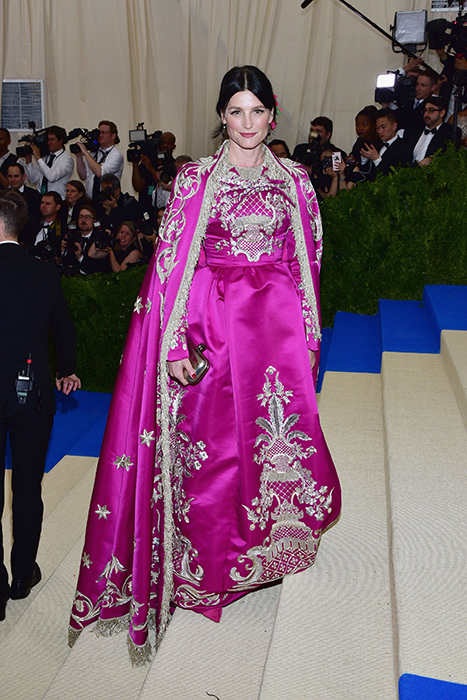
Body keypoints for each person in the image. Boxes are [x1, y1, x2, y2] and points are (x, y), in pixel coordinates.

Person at [68, 65, 341, 663]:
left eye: (257, 111)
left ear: (272, 115)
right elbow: (170, 264)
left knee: (272, 444)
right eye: (236, 111)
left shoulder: (296, 181)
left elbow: (309, 260)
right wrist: (172, 346)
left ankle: (267, 550)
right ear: (222, 115)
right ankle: (210, 564)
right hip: (213, 329)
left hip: (276, 337)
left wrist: (309, 335)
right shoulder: (196, 179)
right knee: (213, 449)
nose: (247, 123)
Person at [0, 190, 80, 622]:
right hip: (32, 396)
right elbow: (63, 328)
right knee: (28, 489)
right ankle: (22, 575)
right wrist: (67, 369)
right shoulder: (44, 272)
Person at [75, 120, 124, 204]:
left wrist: (85, 152)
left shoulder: (116, 155)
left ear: (113, 136)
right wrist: (79, 156)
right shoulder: (94, 154)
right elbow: (83, 176)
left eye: (104, 132)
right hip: (90, 200)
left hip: (107, 202)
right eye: (99, 132)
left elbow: (99, 172)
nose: (100, 135)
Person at [22, 125, 74, 199]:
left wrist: (38, 158)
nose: (49, 142)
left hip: (58, 200)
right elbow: (33, 180)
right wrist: (28, 161)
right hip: (41, 198)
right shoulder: (45, 158)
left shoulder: (67, 159)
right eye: (47, 140)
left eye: (52, 139)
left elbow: (51, 177)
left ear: (60, 140)